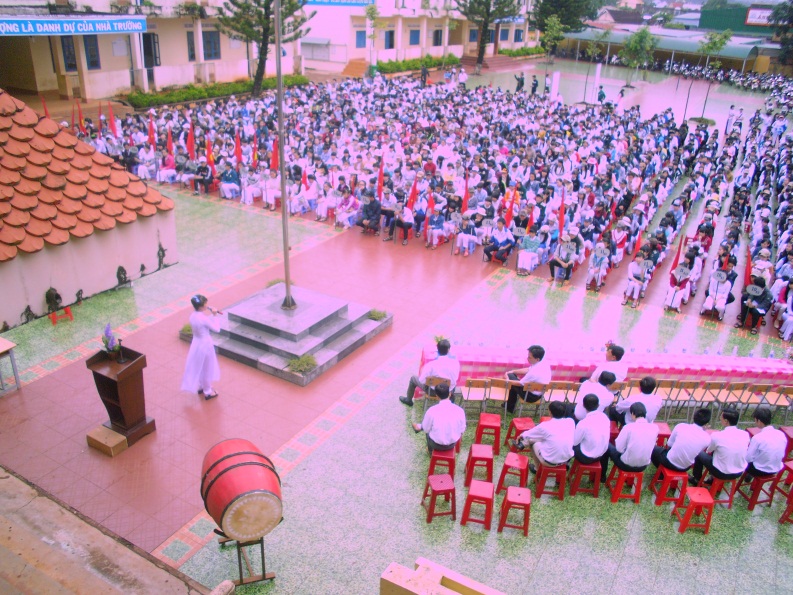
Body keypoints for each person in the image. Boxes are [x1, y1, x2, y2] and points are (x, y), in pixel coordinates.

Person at [690, 407, 750, 485]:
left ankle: (697, 479)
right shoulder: (745, 434)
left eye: (721, 416)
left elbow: (709, 450)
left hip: (721, 472)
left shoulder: (717, 436)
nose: (720, 418)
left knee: (699, 453)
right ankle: (711, 478)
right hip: (739, 472)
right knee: (720, 452)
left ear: (726, 421)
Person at [600, 402, 659, 482]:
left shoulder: (628, 427)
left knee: (606, 445)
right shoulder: (654, 428)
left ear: (632, 414)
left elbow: (619, 448)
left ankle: (602, 476)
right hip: (643, 466)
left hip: (626, 464)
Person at [511, 401, 574, 473]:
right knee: (546, 437)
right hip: (566, 459)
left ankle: (536, 468)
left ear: (550, 412)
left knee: (533, 441)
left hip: (550, 461)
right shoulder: (570, 422)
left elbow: (531, 433)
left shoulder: (545, 426)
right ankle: (523, 443)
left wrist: (521, 435)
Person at [180, 294, 221, 399]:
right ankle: (208, 391)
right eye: (206, 303)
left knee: (200, 366)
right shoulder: (203, 318)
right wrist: (215, 315)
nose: (207, 305)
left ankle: (202, 386)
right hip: (205, 344)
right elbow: (217, 329)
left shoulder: (192, 316)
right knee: (207, 368)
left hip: (196, 343)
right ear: (202, 306)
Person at [399, 339, 461, 407]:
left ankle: (408, 400)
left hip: (433, 392)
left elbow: (422, 380)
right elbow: (455, 378)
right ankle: (450, 400)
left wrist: (432, 381)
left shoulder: (431, 365)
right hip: (449, 391)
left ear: (437, 350)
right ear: (449, 350)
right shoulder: (456, 363)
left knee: (413, 378)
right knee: (453, 384)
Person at [412, 383, 466, 454]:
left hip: (436, 444)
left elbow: (426, 429)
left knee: (428, 430)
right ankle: (420, 427)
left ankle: (430, 450)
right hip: (453, 443)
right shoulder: (459, 410)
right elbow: (462, 429)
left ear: (437, 396)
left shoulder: (431, 410)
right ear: (450, 394)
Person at [505, 345, 552, 414]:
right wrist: (513, 371)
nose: (527, 358)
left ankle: (510, 407)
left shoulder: (534, 373)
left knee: (511, 379)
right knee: (512, 377)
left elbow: (520, 383)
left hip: (530, 396)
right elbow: (528, 369)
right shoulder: (543, 363)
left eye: (529, 357)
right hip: (540, 393)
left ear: (537, 359)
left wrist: (507, 379)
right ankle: (509, 406)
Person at [744, 406, 788, 480]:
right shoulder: (781, 434)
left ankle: (748, 474)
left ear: (759, 421)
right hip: (776, 468)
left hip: (760, 470)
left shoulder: (758, 438)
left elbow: (748, 458)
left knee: (742, 459)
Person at [572, 394, 610, 465]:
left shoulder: (583, 423)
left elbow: (575, 442)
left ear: (583, 405)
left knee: (569, 443)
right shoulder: (605, 417)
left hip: (586, 457)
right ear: (598, 405)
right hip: (602, 454)